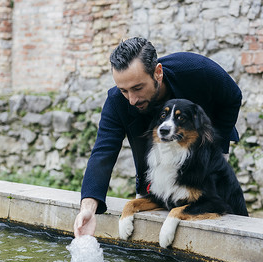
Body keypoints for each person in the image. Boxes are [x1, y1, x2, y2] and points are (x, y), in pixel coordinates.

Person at [74, 37, 242, 237]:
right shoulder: (117, 102)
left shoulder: (196, 70)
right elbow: (103, 152)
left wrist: (217, 149)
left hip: (201, 155)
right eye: (123, 90)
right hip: (152, 163)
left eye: (137, 88)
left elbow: (233, 96)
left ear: (158, 73)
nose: (132, 99)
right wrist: (88, 208)